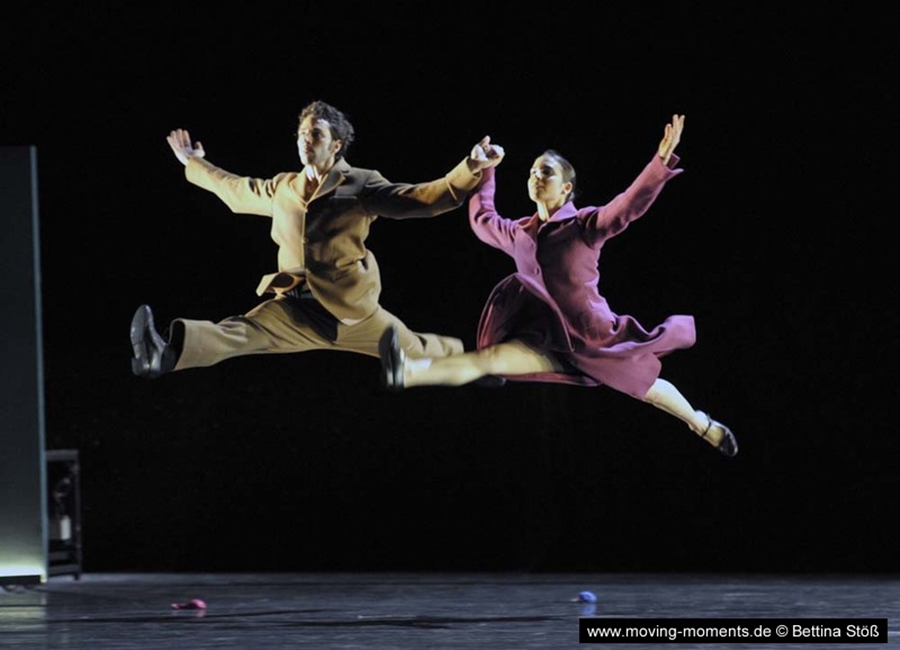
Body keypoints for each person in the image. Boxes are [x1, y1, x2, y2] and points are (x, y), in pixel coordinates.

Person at [379, 115, 738, 456]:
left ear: (565, 187)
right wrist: (486, 169)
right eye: (533, 172)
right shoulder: (519, 233)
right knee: (487, 360)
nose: (536, 176)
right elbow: (482, 219)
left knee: (651, 391)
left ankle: (700, 423)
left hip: (595, 340)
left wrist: (659, 163)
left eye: (545, 172)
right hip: (546, 339)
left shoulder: (584, 226)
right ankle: (408, 371)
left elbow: (627, 206)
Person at [129, 100, 503, 378]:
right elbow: (234, 189)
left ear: (336, 144)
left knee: (411, 347)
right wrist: (193, 162)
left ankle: (480, 367)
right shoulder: (283, 188)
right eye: (302, 134)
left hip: (351, 309)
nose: (306, 140)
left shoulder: (360, 183)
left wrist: (470, 167)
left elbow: (419, 199)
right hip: (297, 309)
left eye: (316, 134)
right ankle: (162, 354)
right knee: (241, 332)